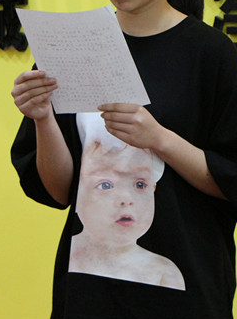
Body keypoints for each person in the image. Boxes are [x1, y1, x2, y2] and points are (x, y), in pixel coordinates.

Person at [11, 0, 237, 319]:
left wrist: (158, 138)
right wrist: (42, 117)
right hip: (91, 296)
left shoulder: (210, 54)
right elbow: (60, 190)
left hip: (182, 292)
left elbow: (233, 180)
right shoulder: (76, 45)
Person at [69, 112, 185, 291]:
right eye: (105, 185)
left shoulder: (163, 273)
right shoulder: (71, 257)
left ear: (153, 189)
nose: (126, 199)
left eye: (140, 184)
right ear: (79, 191)